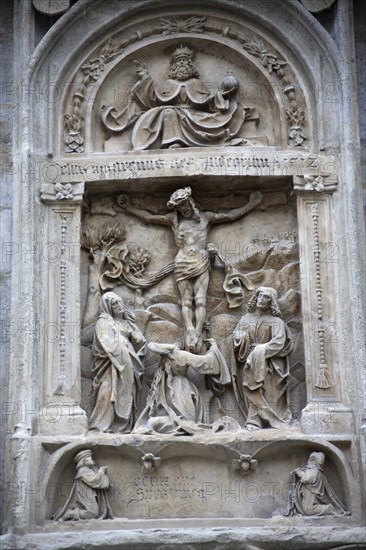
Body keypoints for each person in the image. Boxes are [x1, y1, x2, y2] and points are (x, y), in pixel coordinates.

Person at [117, 187, 263, 352]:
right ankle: (190, 330)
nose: (183, 209)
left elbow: (229, 216)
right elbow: (150, 218)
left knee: (200, 300)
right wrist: (128, 207)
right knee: (186, 301)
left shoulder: (205, 218)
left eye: (185, 204)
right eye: (179, 207)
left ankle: (199, 331)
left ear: (191, 202)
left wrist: (251, 204)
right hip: (182, 262)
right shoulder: (174, 220)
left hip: (201, 261)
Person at [101, 44, 251, 150]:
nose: (182, 65)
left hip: (195, 117)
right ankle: (172, 142)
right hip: (173, 113)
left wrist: (224, 93)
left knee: (175, 114)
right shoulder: (168, 84)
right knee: (168, 112)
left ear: (191, 66)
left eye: (185, 62)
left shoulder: (197, 83)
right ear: (173, 67)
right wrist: (145, 78)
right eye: (179, 62)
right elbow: (153, 99)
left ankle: (202, 140)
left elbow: (210, 103)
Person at [134, 338, 231, 435]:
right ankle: (180, 424)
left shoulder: (181, 355)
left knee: (161, 422)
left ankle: (182, 425)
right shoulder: (175, 354)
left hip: (182, 390)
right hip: (176, 389)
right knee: (154, 422)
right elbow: (208, 362)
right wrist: (213, 348)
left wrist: (214, 348)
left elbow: (207, 362)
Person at [232, 286, 293, 430]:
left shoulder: (276, 321)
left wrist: (261, 350)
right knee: (251, 387)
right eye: (260, 296)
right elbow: (236, 336)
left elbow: (279, 342)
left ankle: (266, 419)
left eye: (266, 297)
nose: (262, 299)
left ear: (271, 302)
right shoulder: (245, 319)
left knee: (264, 389)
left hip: (269, 363)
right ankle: (253, 419)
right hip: (249, 360)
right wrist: (240, 338)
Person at [89, 292, 146, 433]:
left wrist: (136, 339)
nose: (119, 306)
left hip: (129, 363)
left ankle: (124, 426)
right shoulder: (103, 323)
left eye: (120, 303)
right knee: (107, 392)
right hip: (109, 365)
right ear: (108, 307)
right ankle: (101, 425)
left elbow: (140, 342)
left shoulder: (127, 323)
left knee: (128, 392)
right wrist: (123, 350)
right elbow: (106, 344)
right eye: (115, 304)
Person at [53, 449, 113, 521]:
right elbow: (94, 480)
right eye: (88, 456)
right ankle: (70, 514)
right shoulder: (82, 470)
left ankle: (72, 513)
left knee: (94, 513)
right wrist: (101, 472)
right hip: (84, 495)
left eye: (90, 456)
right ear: (83, 460)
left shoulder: (88, 469)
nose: (91, 458)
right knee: (93, 513)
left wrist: (100, 472)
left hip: (89, 494)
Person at [288, 451, 349, 516]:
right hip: (307, 492)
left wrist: (298, 472)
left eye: (311, 459)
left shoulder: (315, 470)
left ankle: (329, 509)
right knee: (307, 509)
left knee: (308, 510)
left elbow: (306, 479)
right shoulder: (312, 469)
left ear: (313, 460)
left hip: (310, 492)